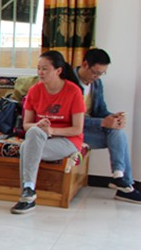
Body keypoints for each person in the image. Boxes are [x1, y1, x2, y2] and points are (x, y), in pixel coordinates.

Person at [11, 51, 85, 214]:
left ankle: (27, 196)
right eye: (38, 68)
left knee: (25, 148)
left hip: (68, 140)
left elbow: (77, 129)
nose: (40, 72)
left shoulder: (73, 91)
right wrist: (38, 125)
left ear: (58, 71)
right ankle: (29, 191)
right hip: (40, 137)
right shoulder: (34, 91)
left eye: (44, 69)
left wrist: (52, 130)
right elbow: (26, 125)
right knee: (34, 132)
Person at [75, 49, 141, 203]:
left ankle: (119, 178)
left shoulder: (96, 84)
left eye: (101, 73)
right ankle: (125, 185)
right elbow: (67, 119)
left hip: (88, 128)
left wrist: (113, 118)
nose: (97, 77)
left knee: (117, 132)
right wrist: (102, 122)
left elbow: (101, 111)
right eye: (95, 72)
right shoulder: (69, 82)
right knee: (117, 135)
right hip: (73, 130)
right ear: (85, 64)